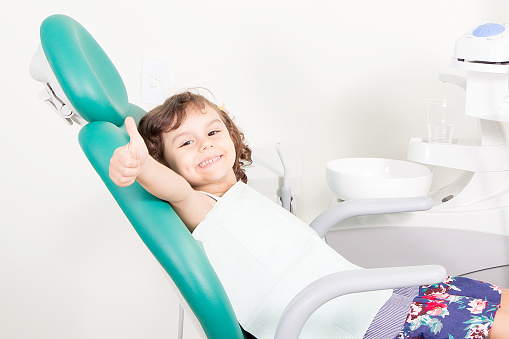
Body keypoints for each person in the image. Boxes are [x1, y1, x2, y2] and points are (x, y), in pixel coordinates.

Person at [109, 91, 509, 339]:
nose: (206, 146)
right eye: (186, 143)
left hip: (373, 298)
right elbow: (175, 190)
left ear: (230, 135)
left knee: (494, 298)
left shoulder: (237, 194)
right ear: (169, 164)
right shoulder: (203, 207)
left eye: (213, 132)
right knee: (493, 322)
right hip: (366, 325)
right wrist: (140, 167)